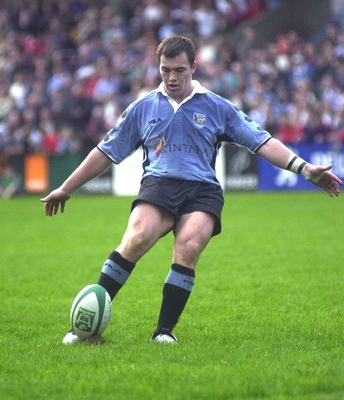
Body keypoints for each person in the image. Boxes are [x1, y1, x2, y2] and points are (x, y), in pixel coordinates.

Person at [41, 36, 342, 345]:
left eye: (179, 70)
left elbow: (261, 141)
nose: (172, 78)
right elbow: (105, 152)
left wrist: (304, 169)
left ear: (194, 67)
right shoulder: (142, 108)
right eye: (165, 70)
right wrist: (66, 187)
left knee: (188, 247)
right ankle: (87, 328)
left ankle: (163, 333)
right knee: (137, 237)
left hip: (203, 191)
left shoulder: (217, 106)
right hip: (159, 185)